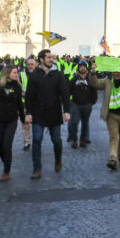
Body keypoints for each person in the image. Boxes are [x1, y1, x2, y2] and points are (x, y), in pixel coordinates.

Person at [24, 49, 71, 179]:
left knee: (56, 140)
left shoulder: (58, 74)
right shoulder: (34, 75)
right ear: (41, 59)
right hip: (38, 113)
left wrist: (66, 111)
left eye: (52, 57)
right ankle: (37, 169)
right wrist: (28, 112)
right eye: (49, 57)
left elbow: (64, 94)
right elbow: (29, 96)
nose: (51, 59)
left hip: (54, 112)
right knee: (37, 140)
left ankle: (58, 160)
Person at [89, 62, 120, 171]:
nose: (116, 74)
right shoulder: (108, 81)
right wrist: (93, 72)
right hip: (111, 114)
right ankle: (113, 158)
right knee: (114, 137)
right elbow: (95, 83)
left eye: (118, 72)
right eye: (114, 72)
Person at [0, 65, 26, 182]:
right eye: (14, 72)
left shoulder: (17, 87)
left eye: (17, 72)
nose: (16, 74)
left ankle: (6, 172)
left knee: (7, 145)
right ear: (7, 74)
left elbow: (20, 104)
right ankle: (6, 161)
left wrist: (23, 120)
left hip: (12, 120)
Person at [67, 62, 97, 149]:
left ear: (86, 69)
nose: (82, 68)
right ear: (78, 69)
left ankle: (83, 140)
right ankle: (74, 139)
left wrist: (92, 102)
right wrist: (68, 102)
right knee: (74, 122)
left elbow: (94, 91)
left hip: (87, 104)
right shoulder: (74, 79)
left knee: (85, 123)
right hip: (75, 104)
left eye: (84, 67)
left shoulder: (90, 80)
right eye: (81, 67)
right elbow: (69, 91)